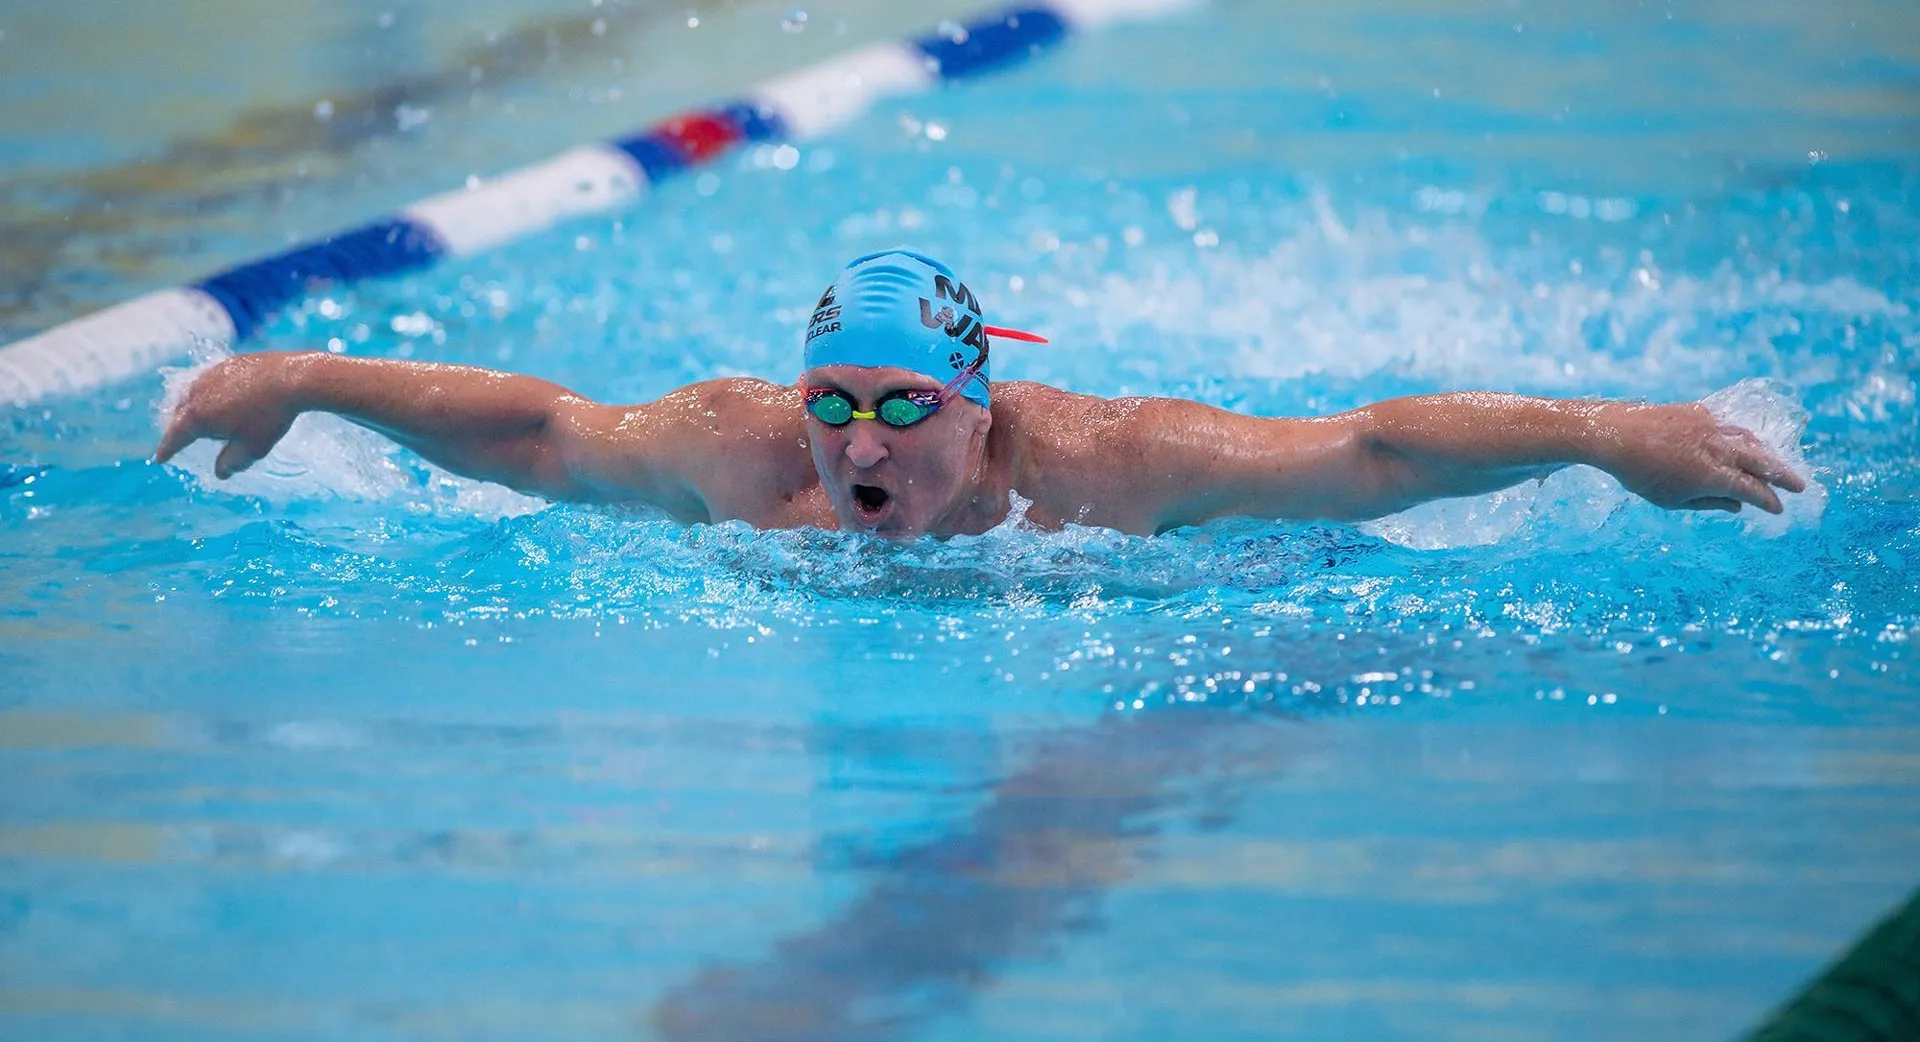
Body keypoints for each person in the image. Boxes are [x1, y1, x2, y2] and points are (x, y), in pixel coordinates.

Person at [155, 249, 1806, 538]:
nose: (858, 444)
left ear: (977, 406)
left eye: (899, 410)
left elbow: (1369, 445)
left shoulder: (1118, 470)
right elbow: (537, 429)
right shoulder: (743, 451)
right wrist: (305, 375)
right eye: (835, 406)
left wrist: (1610, 435)